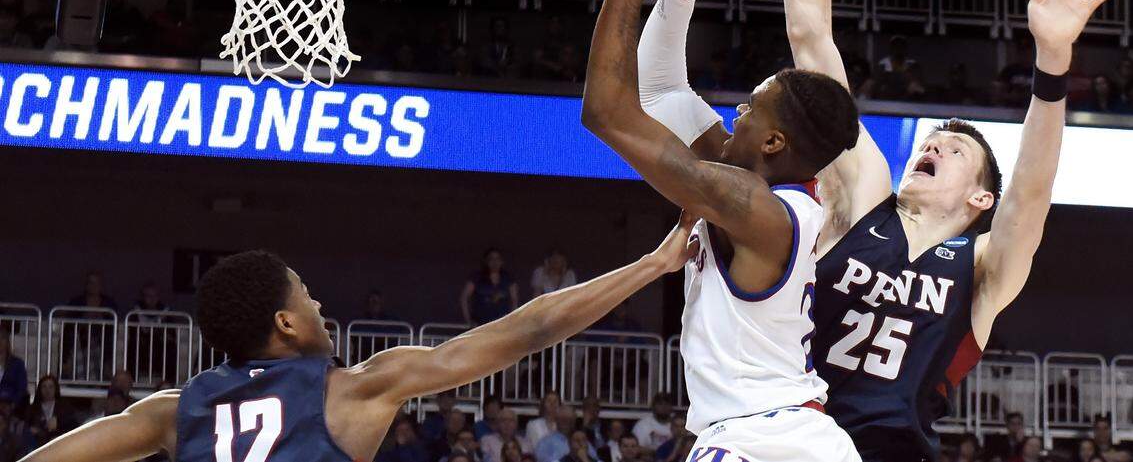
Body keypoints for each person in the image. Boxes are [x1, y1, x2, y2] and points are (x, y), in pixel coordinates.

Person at [750, 0, 1124, 459]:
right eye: (934, 141)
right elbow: (812, 39)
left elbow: (1031, 194)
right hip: (791, 440)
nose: (937, 145)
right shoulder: (864, 196)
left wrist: (1052, 64)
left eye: (957, 151)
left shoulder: (980, 271)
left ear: (980, 201)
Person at [583, 0, 862, 462]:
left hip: (766, 440)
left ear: (773, 142)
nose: (735, 111)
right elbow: (660, 90)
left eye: (751, 108)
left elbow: (607, 111)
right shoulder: (752, 184)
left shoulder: (750, 204)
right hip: (780, 436)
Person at [15, 224, 698, 462]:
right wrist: (649, 266)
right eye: (306, 294)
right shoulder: (356, 386)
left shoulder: (171, 408)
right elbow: (528, 328)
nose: (319, 304)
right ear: (284, 323)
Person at [461, 249, 519, 325]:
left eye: (497, 259)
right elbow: (464, 297)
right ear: (486, 261)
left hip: (501, 323)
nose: (495, 262)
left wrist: (511, 321)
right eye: (491, 259)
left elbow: (514, 300)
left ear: (501, 261)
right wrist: (468, 320)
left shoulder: (508, 279)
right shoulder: (477, 277)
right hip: (480, 323)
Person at [24, 376, 76, 449]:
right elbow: (26, 425)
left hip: (59, 443)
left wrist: (58, 423)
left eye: (51, 387)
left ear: (56, 389)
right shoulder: (33, 408)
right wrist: (33, 429)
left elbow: (73, 426)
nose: (47, 390)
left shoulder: (64, 407)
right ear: (40, 389)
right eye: (44, 387)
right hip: (38, 445)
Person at [0, 335, 28, 409]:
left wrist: (13, 404)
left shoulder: (17, 363)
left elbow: (21, 387)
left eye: (2, 338)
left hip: (10, 405)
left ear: (7, 342)